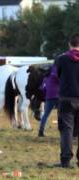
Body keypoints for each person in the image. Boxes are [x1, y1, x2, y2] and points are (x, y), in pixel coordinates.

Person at [55, 33, 79, 168]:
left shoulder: (62, 59)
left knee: (66, 130)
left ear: (70, 44)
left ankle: (65, 160)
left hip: (66, 99)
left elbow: (57, 75)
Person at [38, 64, 59, 137]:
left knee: (45, 115)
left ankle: (41, 131)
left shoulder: (46, 76)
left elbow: (42, 88)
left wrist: (45, 96)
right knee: (61, 115)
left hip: (49, 97)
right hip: (59, 96)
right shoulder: (57, 70)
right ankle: (62, 131)